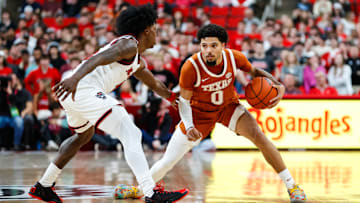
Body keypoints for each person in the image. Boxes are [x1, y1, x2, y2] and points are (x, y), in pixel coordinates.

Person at [120, 24, 307, 202]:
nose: (208, 50)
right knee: (168, 160)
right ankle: (139, 190)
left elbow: (256, 72)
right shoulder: (191, 67)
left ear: (223, 46)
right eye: (204, 46)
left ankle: (292, 186)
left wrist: (278, 85)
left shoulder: (235, 58)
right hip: (198, 114)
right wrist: (190, 125)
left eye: (213, 46)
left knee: (260, 137)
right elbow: (183, 102)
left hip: (228, 107)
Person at [28, 5, 189, 203]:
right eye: (156, 27)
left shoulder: (136, 59)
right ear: (146, 29)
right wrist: (74, 78)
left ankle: (44, 185)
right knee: (130, 131)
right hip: (79, 87)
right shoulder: (128, 45)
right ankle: (150, 192)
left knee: (83, 135)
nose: (158, 32)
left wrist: (173, 98)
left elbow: (154, 83)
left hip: (77, 91)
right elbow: (98, 58)